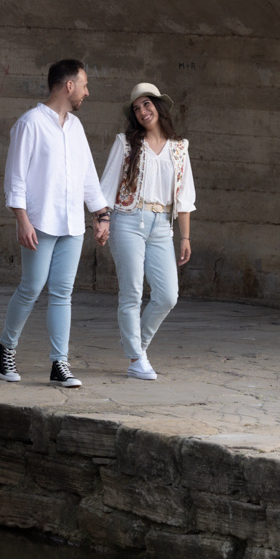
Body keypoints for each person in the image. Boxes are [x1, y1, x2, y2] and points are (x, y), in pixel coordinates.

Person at [0, 59, 110, 387]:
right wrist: (22, 220)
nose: (87, 92)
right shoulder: (30, 124)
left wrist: (101, 215)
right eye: (84, 85)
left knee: (63, 292)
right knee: (31, 287)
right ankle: (7, 346)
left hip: (72, 224)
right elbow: (15, 177)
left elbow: (88, 175)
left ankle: (59, 363)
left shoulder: (75, 127)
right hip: (40, 222)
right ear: (69, 85)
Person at [98, 82, 195, 380]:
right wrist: (102, 218)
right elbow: (107, 186)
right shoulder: (125, 144)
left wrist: (185, 237)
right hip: (128, 221)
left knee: (168, 296)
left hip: (162, 226)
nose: (142, 111)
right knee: (132, 292)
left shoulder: (179, 149)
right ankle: (136, 358)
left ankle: (136, 346)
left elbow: (184, 198)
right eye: (136, 108)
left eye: (147, 104)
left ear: (158, 106)